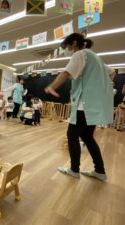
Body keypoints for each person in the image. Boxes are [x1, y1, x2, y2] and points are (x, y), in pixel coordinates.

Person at [45, 33, 116, 181]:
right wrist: (98, 89)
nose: (67, 50)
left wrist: (52, 87)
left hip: (84, 105)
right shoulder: (94, 57)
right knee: (88, 137)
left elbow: (66, 72)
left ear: (74, 43)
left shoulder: (80, 54)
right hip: (93, 106)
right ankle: (100, 171)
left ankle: (74, 169)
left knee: (72, 135)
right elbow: (112, 73)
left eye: (67, 47)